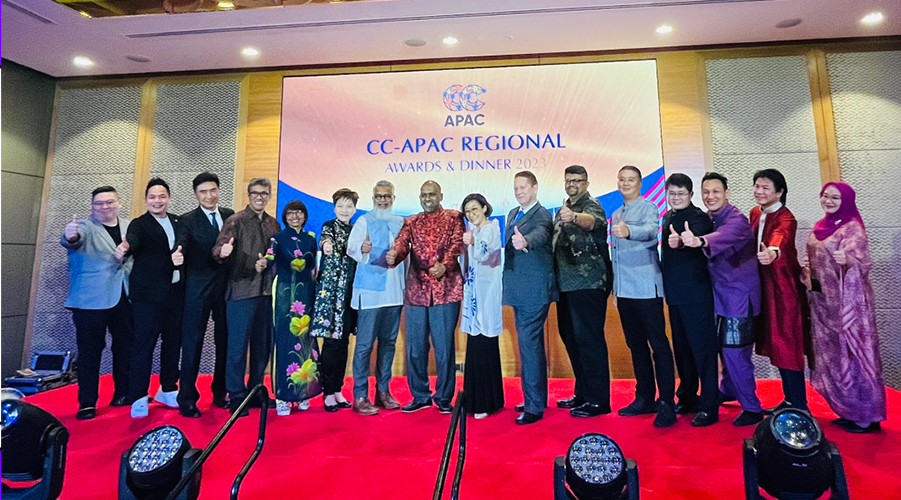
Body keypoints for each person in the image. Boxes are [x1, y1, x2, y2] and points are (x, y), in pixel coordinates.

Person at [681, 172, 763, 427]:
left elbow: (721, 237)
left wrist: (698, 240)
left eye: (716, 191)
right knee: (724, 350)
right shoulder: (710, 218)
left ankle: (752, 408)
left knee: (736, 354)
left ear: (727, 193)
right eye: (706, 192)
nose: (710, 196)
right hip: (720, 298)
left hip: (739, 299)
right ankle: (728, 389)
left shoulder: (736, 220)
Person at [804, 182, 886, 433]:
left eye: (835, 198)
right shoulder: (820, 226)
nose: (828, 201)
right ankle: (849, 410)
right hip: (823, 305)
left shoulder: (853, 228)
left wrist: (850, 260)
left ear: (846, 201)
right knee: (835, 358)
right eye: (825, 196)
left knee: (854, 356)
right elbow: (812, 258)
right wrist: (806, 272)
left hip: (849, 307)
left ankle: (866, 415)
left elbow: (864, 264)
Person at [388, 181, 466, 414]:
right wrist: (394, 254)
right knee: (415, 347)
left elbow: (457, 244)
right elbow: (402, 243)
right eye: (423, 195)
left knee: (444, 348)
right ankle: (420, 395)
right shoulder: (411, 221)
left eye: (431, 194)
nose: (427, 198)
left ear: (441, 195)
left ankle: (444, 397)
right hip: (417, 292)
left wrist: (445, 264)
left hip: (446, 290)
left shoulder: (454, 218)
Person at [610, 165, 676, 428]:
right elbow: (615, 257)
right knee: (636, 346)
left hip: (647, 288)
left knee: (658, 345)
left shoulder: (649, 207)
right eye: (622, 179)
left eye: (631, 180)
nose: (625, 183)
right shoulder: (616, 213)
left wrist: (629, 231)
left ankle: (667, 402)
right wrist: (615, 289)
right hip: (624, 291)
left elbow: (650, 231)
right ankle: (645, 397)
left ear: (640, 184)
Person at [61, 186, 133, 420]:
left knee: (125, 348)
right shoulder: (83, 226)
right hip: (90, 301)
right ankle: (87, 402)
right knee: (90, 352)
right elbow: (72, 239)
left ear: (119, 203)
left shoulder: (129, 226)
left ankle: (123, 393)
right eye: (99, 203)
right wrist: (70, 235)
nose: (104, 207)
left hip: (124, 296)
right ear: (92, 207)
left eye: (109, 202)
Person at [213, 178, 281, 417]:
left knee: (262, 348)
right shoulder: (236, 221)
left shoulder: (273, 224)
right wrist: (222, 252)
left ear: (269, 196)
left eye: (264, 193)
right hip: (241, 292)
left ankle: (255, 391)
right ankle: (236, 395)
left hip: (266, 293)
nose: (259, 197)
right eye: (255, 193)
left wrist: (268, 263)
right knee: (237, 348)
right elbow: (218, 249)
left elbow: (277, 255)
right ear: (249, 195)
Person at [552, 165, 613, 418]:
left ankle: (599, 401)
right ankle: (583, 393)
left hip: (588, 283)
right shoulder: (563, 207)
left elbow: (592, 222)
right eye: (568, 180)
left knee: (589, 341)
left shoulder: (591, 205)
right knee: (572, 339)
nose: (572, 184)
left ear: (586, 183)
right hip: (565, 285)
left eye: (577, 180)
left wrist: (574, 217)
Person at [750, 169, 811, 413]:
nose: (759, 191)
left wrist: (772, 253)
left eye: (765, 187)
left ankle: (799, 405)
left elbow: (779, 238)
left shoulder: (786, 218)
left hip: (783, 290)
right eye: (757, 186)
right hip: (762, 289)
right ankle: (789, 400)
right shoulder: (755, 213)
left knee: (787, 344)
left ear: (780, 192)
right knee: (775, 344)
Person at [124, 178, 185, 419]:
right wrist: (125, 247)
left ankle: (168, 388)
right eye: (152, 197)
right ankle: (138, 396)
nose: (157, 201)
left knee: (173, 343)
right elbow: (133, 243)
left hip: (175, 294)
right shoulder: (139, 224)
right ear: (146, 200)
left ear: (169, 198)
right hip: (147, 296)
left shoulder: (178, 222)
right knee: (143, 345)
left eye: (162, 196)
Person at [661, 173, 719, 427]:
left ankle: (709, 406)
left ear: (691, 195)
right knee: (683, 351)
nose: (676, 198)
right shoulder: (667, 217)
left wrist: (684, 242)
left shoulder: (698, 218)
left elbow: (696, 238)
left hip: (696, 296)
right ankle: (687, 397)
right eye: (672, 193)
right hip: (674, 295)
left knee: (703, 351)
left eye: (681, 194)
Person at [176, 172, 234, 418]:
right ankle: (187, 398)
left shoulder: (230, 216)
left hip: (227, 288)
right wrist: (176, 255)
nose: (209, 196)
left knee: (225, 341)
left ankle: (220, 392)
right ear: (195, 194)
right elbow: (181, 246)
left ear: (219, 190)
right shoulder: (187, 220)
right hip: (197, 289)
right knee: (193, 343)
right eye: (203, 192)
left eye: (213, 190)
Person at [346, 181, 405, 416]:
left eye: (386, 196)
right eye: (379, 196)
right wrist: (362, 248)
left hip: (394, 293)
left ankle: (383, 392)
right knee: (364, 346)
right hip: (370, 293)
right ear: (373, 198)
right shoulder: (364, 221)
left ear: (393, 198)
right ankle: (360, 395)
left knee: (388, 343)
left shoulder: (400, 222)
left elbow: (407, 254)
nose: (382, 200)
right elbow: (351, 248)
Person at [504, 170, 557, 425]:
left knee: (529, 345)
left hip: (535, 290)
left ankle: (534, 407)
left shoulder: (543, 214)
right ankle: (535, 399)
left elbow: (541, 234)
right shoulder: (513, 213)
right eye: (516, 188)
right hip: (518, 289)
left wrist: (525, 242)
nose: (519, 192)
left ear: (535, 188)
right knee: (530, 346)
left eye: (523, 187)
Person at [265, 200, 322, 416]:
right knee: (284, 341)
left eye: (299, 213)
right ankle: (282, 396)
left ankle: (303, 393)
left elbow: (314, 267)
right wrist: (262, 263)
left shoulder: (311, 239)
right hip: (285, 295)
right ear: (285, 216)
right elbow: (269, 258)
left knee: (306, 342)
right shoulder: (278, 238)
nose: (295, 216)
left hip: (306, 294)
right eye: (290, 213)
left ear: (305, 216)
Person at [310, 189, 360, 412]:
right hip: (331, 294)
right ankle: (328, 392)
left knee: (344, 342)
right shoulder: (329, 226)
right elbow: (325, 239)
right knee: (331, 342)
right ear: (334, 207)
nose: (344, 210)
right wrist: (326, 245)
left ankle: (338, 389)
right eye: (340, 206)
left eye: (349, 206)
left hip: (350, 293)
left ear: (355, 209)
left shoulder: (357, 229)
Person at [460, 193, 504, 419]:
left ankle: (485, 401)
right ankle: (480, 399)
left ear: (485, 208)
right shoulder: (475, 231)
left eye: (475, 209)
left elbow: (485, 255)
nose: (471, 215)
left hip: (487, 294)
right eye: (467, 212)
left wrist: (474, 242)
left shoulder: (490, 229)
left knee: (484, 344)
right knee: (476, 343)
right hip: (474, 292)